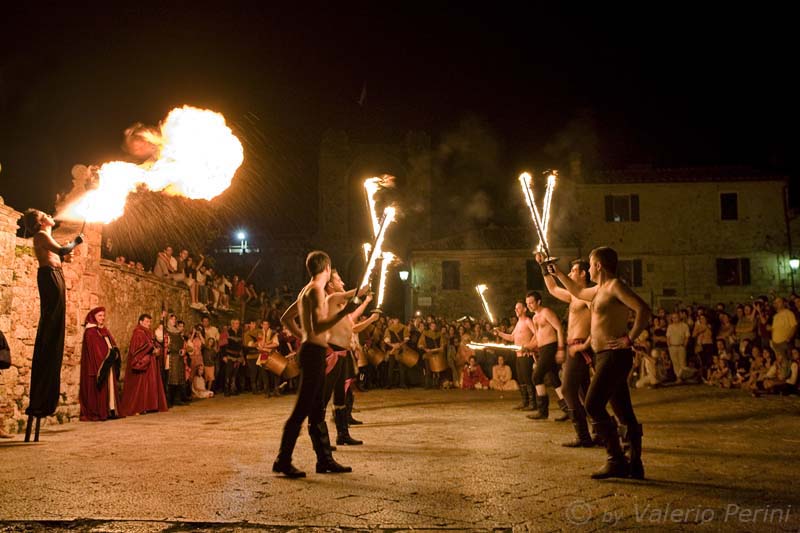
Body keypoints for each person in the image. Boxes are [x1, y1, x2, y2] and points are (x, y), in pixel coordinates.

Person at [552, 246, 651, 480]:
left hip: (614, 355)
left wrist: (629, 338)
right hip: (604, 355)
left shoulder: (615, 286)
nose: (588, 267)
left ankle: (615, 459)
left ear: (598, 265)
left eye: (590, 262)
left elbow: (642, 309)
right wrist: (556, 273)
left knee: (593, 404)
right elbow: (575, 289)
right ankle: (634, 464)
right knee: (622, 410)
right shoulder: (597, 290)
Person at [273, 251, 362, 478]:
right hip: (314, 353)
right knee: (303, 409)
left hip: (311, 350)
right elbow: (319, 327)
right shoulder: (315, 291)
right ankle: (283, 460)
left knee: (315, 408)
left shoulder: (307, 290)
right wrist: (346, 311)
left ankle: (324, 460)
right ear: (327, 267)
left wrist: (302, 335)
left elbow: (286, 318)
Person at [21, 209, 83, 441]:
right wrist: (76, 242)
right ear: (39, 222)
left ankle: (45, 398)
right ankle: (40, 399)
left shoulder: (46, 236)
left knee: (56, 329)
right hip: (49, 277)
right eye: (43, 213)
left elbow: (61, 255)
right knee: (50, 328)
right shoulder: (40, 235)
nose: (48, 213)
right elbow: (62, 251)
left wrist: (67, 253)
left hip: (55, 275)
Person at [536, 255, 596, 445]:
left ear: (583, 274)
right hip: (574, 346)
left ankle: (584, 436)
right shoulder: (574, 295)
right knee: (584, 392)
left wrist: (585, 344)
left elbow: (598, 322)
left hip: (578, 348)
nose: (570, 273)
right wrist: (544, 267)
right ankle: (599, 432)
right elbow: (553, 288)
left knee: (568, 390)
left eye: (573, 271)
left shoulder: (587, 295)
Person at [524, 291, 569, 422]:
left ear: (538, 301)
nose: (530, 305)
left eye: (531, 302)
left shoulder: (546, 312)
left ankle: (542, 411)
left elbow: (559, 329)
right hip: (543, 349)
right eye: (528, 304)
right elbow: (538, 337)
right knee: (554, 379)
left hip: (551, 347)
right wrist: (529, 347)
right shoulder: (535, 317)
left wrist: (560, 349)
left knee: (536, 376)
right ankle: (569, 410)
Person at [118, 314, 168, 416]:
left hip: (151, 363)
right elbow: (136, 350)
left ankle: (150, 406)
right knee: (142, 386)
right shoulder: (138, 333)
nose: (148, 324)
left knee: (150, 384)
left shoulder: (147, 333)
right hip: (144, 364)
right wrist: (151, 349)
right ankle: (141, 406)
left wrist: (157, 349)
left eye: (149, 322)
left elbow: (153, 344)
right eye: (146, 322)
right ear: (140, 322)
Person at [79, 307, 122, 421]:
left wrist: (114, 352)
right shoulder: (90, 332)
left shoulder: (103, 330)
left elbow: (110, 343)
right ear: (94, 317)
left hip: (108, 363)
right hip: (98, 364)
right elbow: (95, 350)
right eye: (100, 316)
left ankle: (111, 410)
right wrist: (108, 356)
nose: (102, 318)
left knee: (110, 388)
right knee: (101, 388)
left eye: (103, 315)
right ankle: (100, 411)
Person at [493, 302, 537, 410]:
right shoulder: (518, 323)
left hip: (526, 355)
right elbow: (512, 338)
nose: (516, 310)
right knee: (521, 379)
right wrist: (499, 333)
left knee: (527, 379)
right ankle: (525, 402)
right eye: (515, 308)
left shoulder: (528, 321)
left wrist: (529, 346)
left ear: (525, 309)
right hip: (518, 355)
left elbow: (537, 333)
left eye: (518, 308)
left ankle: (532, 403)